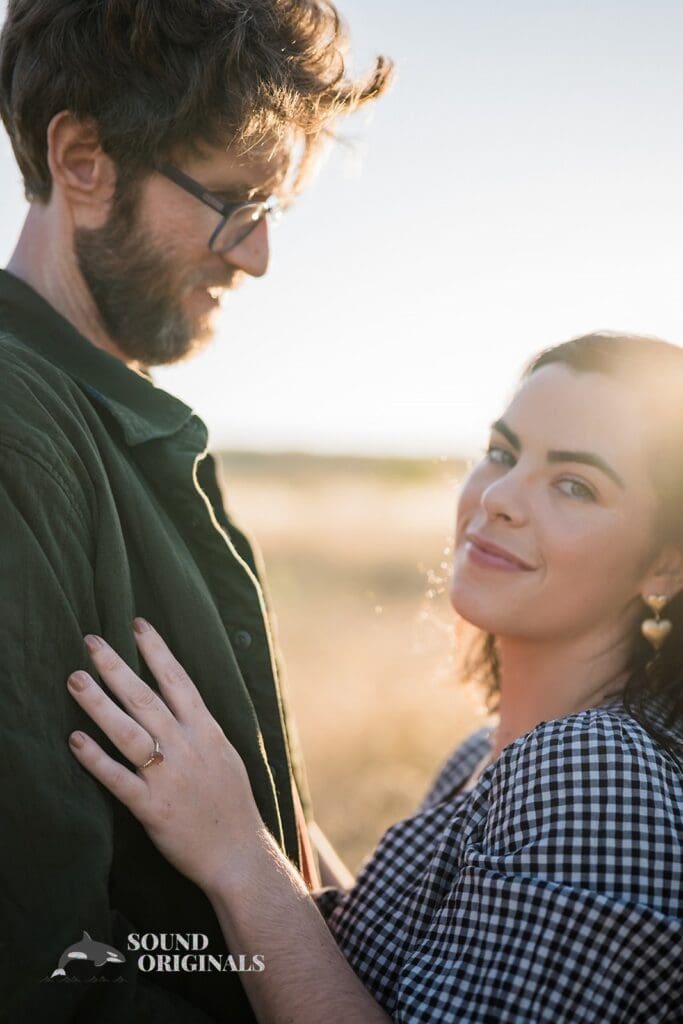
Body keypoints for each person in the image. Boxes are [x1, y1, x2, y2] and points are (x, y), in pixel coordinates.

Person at [66, 333, 683, 1023]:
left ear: (664, 565)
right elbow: (388, 972)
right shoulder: (478, 759)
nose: (499, 497)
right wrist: (246, 779)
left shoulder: (598, 778)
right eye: (502, 453)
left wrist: (240, 858)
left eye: (574, 484)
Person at [0, 2, 391, 1020]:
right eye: (232, 202)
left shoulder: (117, 419)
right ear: (81, 159)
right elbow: (43, 970)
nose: (255, 256)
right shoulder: (13, 427)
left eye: (273, 215)